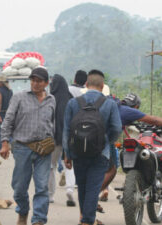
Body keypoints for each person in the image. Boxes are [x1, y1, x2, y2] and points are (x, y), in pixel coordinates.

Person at [63, 69, 122, 225]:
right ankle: (87, 221)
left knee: (82, 187)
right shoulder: (109, 104)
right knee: (93, 189)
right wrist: (107, 141)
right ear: (102, 86)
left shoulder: (73, 103)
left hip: (77, 152)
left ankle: (85, 219)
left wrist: (67, 154)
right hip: (100, 153)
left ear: (86, 84)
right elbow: (117, 128)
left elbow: (67, 130)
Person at [99, 93, 162, 203]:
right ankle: (92, 198)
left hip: (95, 139)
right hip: (104, 142)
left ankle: (92, 199)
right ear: (136, 106)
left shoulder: (113, 107)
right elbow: (153, 120)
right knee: (111, 170)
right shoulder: (127, 111)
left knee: (102, 170)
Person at [0, 67, 55, 225]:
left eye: (39, 81)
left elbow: (53, 123)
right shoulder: (19, 97)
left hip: (44, 150)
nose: (35, 84)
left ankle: (38, 219)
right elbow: (8, 120)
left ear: (46, 83)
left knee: (42, 186)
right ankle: (23, 211)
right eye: (33, 80)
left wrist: (55, 143)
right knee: (19, 187)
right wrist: (5, 143)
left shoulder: (52, 99)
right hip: (22, 147)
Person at [47, 74, 76, 206]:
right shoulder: (71, 99)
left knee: (51, 166)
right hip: (69, 138)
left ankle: (50, 195)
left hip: (54, 138)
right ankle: (70, 189)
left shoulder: (50, 99)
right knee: (69, 164)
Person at [0, 75, 13, 152]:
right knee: (8, 130)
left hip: (1, 113)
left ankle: (0, 147)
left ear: (1, 83)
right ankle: (12, 143)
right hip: (8, 113)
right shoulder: (10, 91)